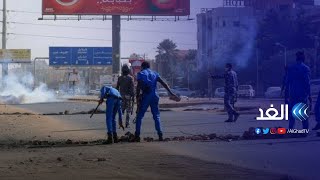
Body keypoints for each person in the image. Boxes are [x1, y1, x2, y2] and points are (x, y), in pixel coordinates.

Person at [134, 61, 179, 142]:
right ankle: (160, 134)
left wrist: (137, 97)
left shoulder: (141, 74)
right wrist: (171, 93)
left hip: (146, 96)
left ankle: (137, 135)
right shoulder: (155, 73)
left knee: (139, 116)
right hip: (155, 96)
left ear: (143, 67)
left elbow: (138, 86)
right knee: (156, 116)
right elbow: (164, 83)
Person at [285, 51, 311, 130]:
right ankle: (305, 130)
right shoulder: (305, 68)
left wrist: (286, 96)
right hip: (302, 94)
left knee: (292, 113)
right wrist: (309, 95)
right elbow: (307, 83)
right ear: (303, 58)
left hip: (293, 94)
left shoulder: (290, 68)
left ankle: (291, 129)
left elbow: (287, 82)